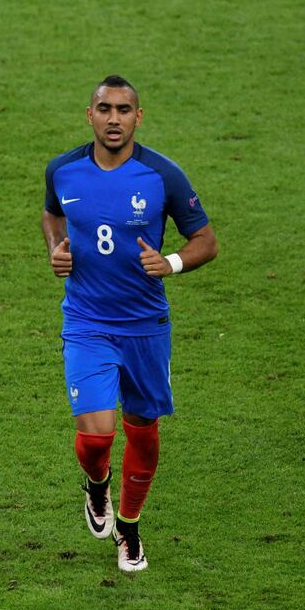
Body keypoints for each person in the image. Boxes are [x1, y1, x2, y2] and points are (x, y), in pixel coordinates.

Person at [41, 75, 218, 572]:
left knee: (141, 430)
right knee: (96, 437)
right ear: (90, 115)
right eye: (105, 109)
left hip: (144, 325)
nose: (113, 119)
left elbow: (206, 241)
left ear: (138, 117)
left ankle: (130, 528)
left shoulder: (163, 175)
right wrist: (55, 249)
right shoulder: (63, 170)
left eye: (123, 110)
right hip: (87, 321)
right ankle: (97, 486)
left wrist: (171, 263)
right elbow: (51, 214)